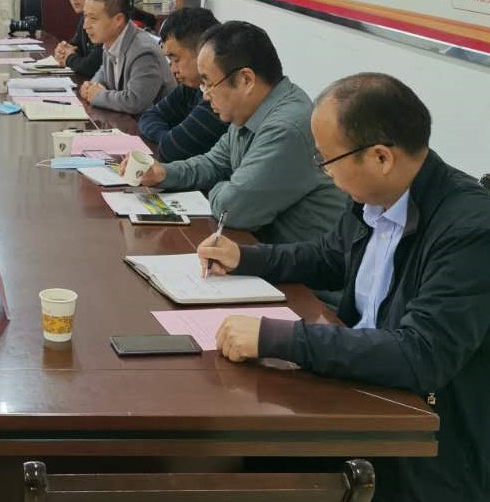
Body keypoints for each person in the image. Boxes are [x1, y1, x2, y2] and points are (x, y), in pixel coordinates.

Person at [204, 74, 490, 502]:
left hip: (424, 443)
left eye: (327, 160)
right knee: (244, 446)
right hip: (362, 392)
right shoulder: (375, 198)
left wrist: (278, 337)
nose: (324, 172)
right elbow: (329, 256)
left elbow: (420, 355)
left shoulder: (469, 230)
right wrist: (245, 258)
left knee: (254, 457)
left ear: (380, 157)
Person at [139, 21, 345, 244]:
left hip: (296, 261)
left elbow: (231, 210)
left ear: (245, 80)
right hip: (257, 246)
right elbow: (214, 163)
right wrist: (164, 173)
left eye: (209, 83)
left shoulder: (286, 127)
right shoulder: (249, 110)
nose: (205, 95)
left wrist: (222, 186)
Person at [137, 8, 228, 162]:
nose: (172, 69)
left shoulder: (217, 97)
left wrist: (169, 139)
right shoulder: (191, 87)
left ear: (202, 52)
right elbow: (148, 116)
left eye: (176, 59)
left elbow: (172, 148)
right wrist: (167, 136)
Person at [76, 0, 174, 115]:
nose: (85, 25)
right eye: (85, 16)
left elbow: (135, 101)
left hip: (152, 124)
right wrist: (91, 86)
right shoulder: (111, 40)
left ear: (118, 20)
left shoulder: (144, 52)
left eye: (93, 18)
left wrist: (96, 95)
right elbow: (103, 73)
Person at [52, 0, 106, 78]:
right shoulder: (86, 15)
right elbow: (75, 47)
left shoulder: (107, 18)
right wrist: (62, 51)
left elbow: (91, 67)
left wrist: (69, 58)